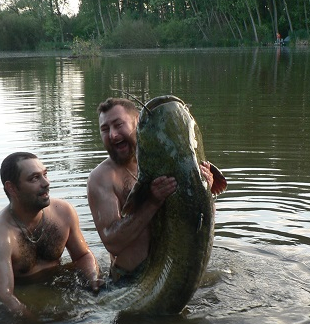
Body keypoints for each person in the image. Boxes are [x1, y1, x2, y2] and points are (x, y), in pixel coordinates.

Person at [87, 98, 215, 283]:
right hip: (130, 283)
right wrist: (152, 202)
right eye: (105, 129)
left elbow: (198, 222)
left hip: (177, 269)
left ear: (137, 121)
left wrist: (203, 188)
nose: (113, 135)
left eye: (118, 125)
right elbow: (113, 243)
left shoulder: (170, 159)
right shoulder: (101, 178)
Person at [0, 152, 102, 316]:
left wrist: (93, 280)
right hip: (27, 297)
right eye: (34, 178)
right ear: (12, 188)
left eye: (45, 174)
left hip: (59, 287)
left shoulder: (63, 212)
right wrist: (34, 323)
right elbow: (2, 295)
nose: (46, 183)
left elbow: (82, 255)